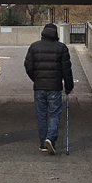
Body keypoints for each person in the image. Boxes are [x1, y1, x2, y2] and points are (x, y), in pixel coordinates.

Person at [24, 23, 74, 156]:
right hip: (55, 87)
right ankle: (51, 137)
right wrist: (69, 86)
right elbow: (66, 69)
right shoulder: (61, 48)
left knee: (41, 115)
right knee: (54, 113)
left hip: (39, 86)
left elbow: (28, 66)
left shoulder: (34, 47)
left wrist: (36, 78)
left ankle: (43, 143)